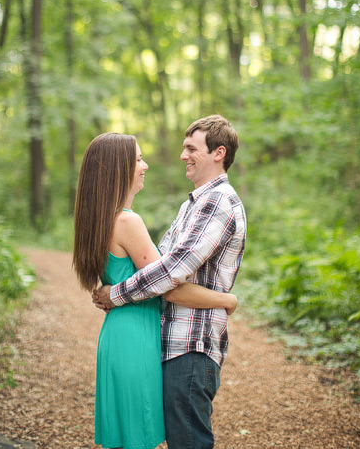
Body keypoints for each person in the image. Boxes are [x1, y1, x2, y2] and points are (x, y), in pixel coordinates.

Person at [72, 132, 238, 449]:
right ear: (117, 168)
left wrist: (113, 292)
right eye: (137, 159)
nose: (145, 165)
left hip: (118, 333)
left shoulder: (101, 220)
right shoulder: (127, 222)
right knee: (138, 437)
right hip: (135, 336)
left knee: (127, 437)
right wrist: (227, 300)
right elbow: (170, 287)